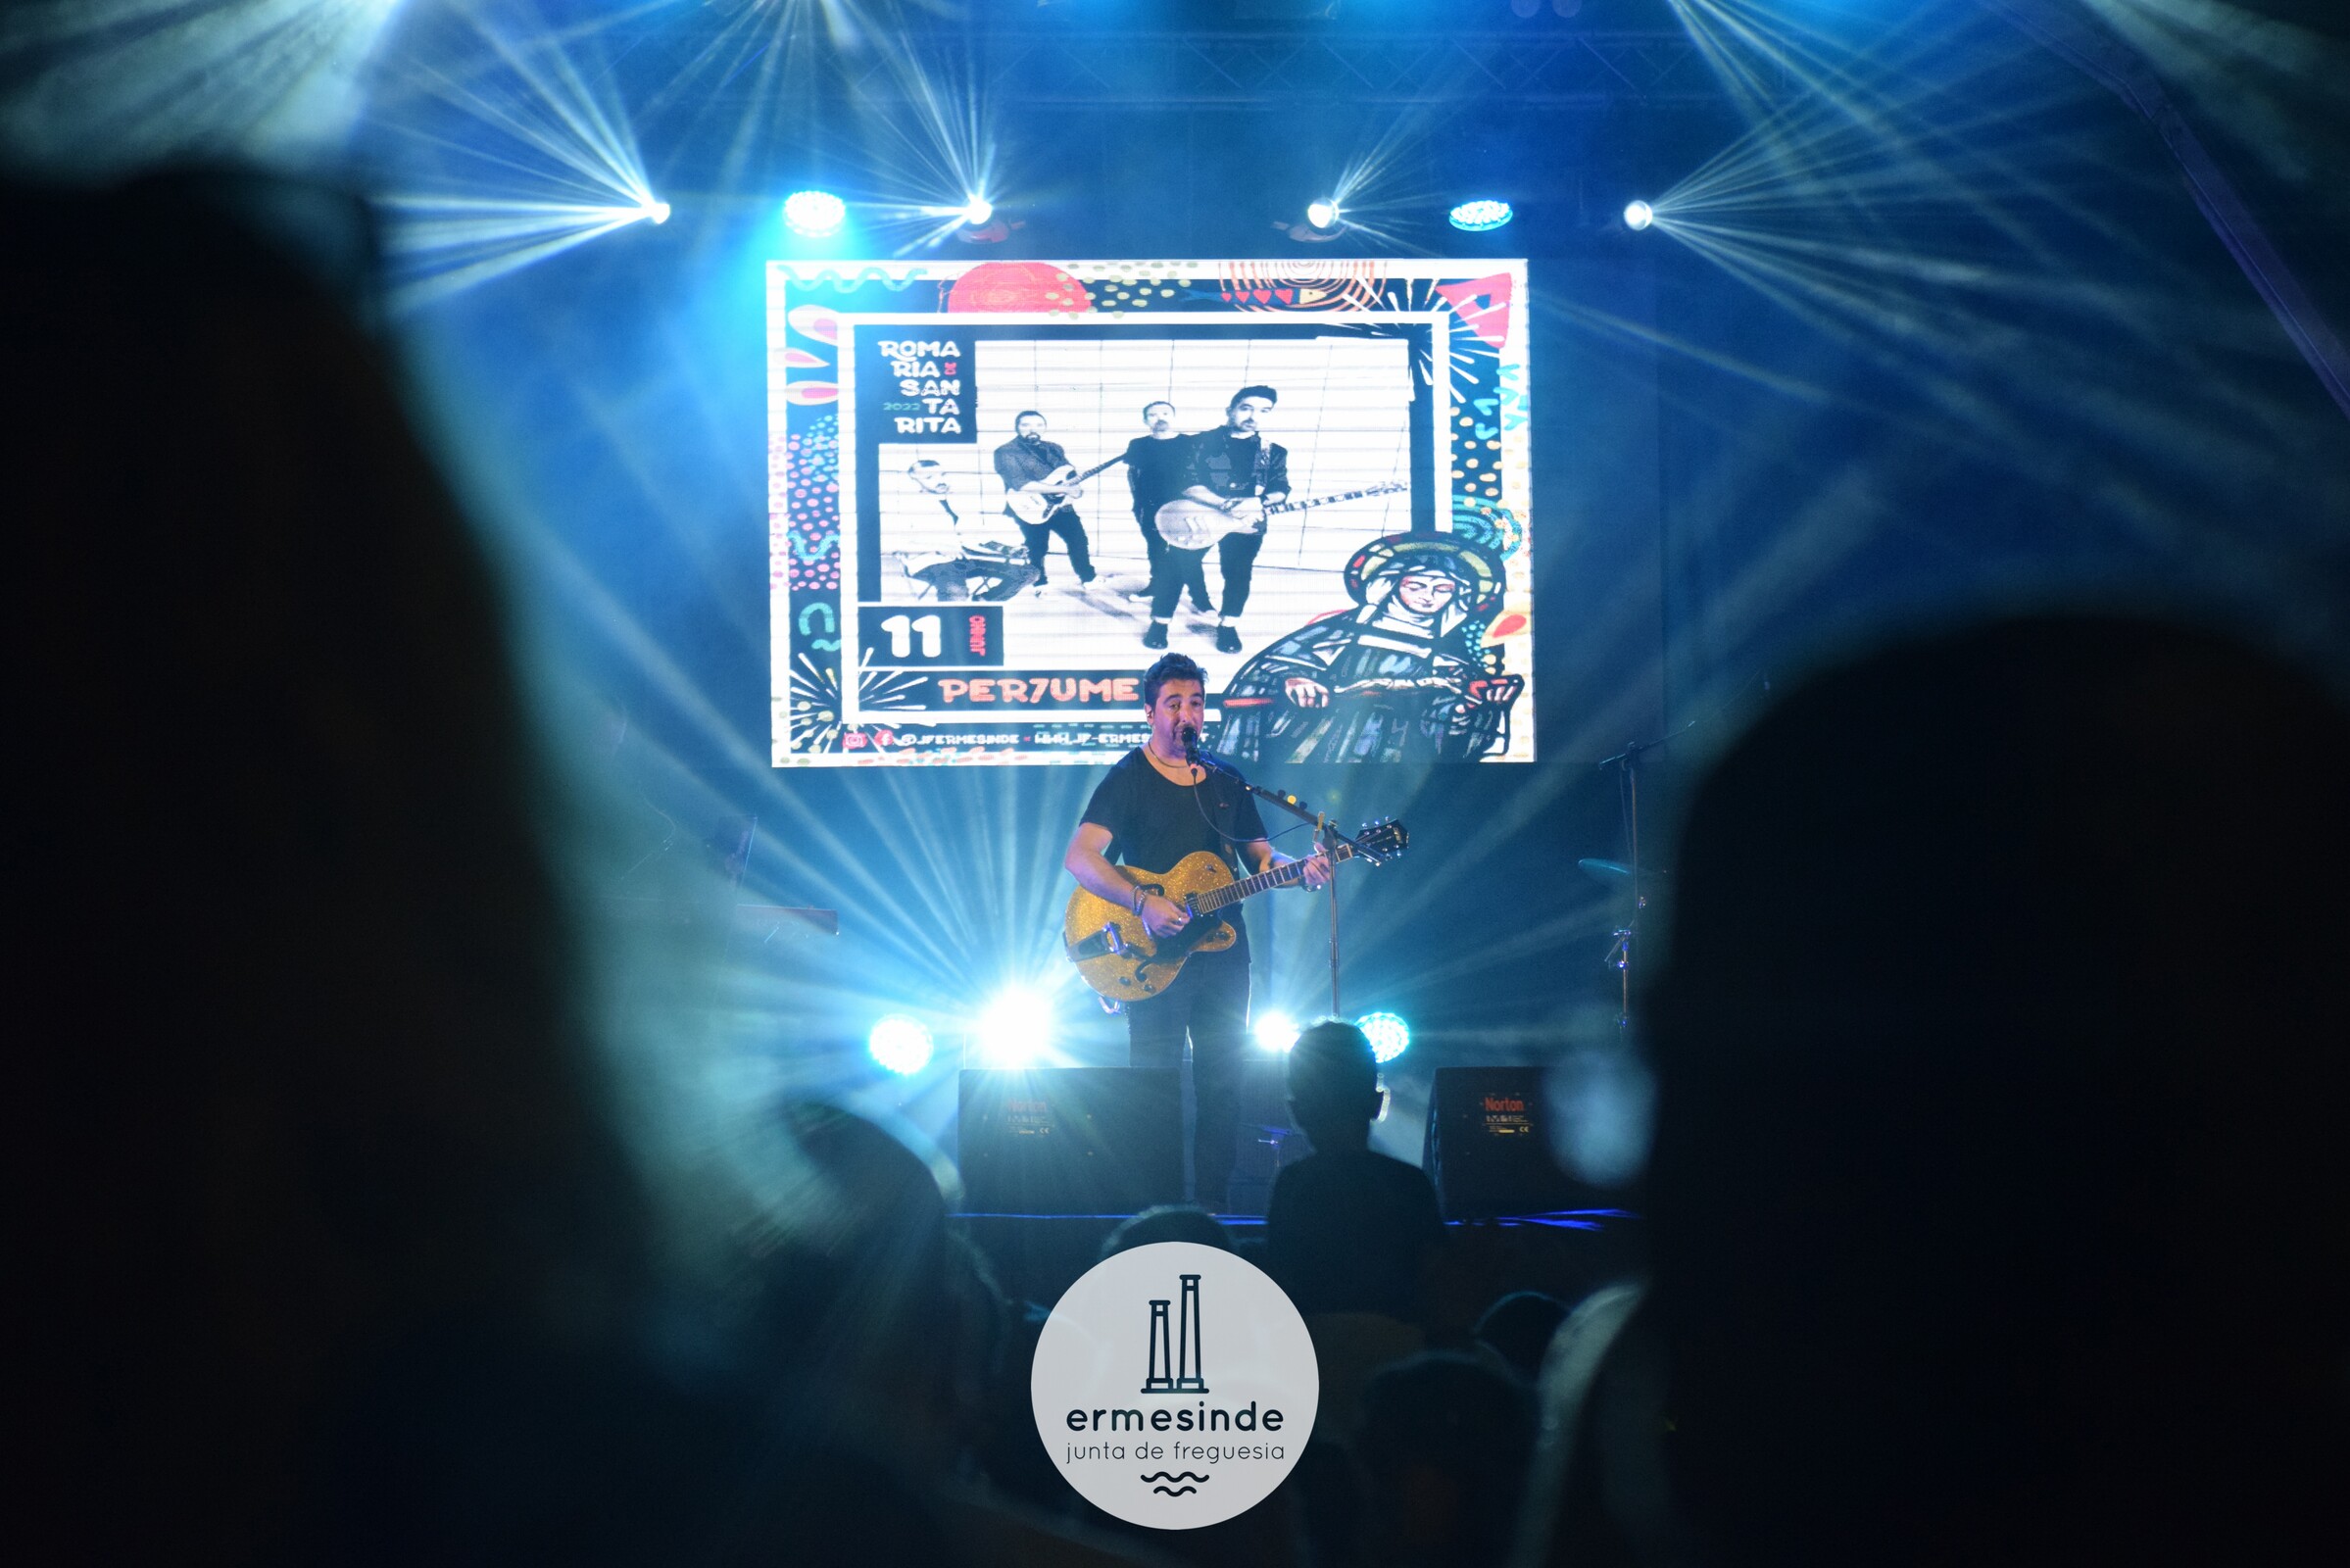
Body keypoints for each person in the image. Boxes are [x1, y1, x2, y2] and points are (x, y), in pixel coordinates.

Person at [1061, 653, 1329, 1208]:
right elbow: (1081, 857)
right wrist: (1142, 902)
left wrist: (1299, 871)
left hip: (1224, 951)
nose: (1188, 713)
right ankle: (1156, 1211)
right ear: (1150, 712)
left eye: (1197, 703)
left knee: (1224, 1086)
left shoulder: (1226, 778)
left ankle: (1212, 1209)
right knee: (1154, 1087)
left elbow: (1260, 858)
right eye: (1174, 703)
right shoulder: (1129, 777)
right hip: (1152, 954)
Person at [1218, 533, 1525, 763]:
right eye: (1416, 586)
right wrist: (1294, 679)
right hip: (1316, 750)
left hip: (1393, 762)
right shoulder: (1339, 631)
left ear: (1458, 595)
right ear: (1391, 584)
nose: (1428, 597)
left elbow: (1444, 732)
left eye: (1442, 589)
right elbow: (1271, 668)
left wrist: (1468, 708)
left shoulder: (1450, 659)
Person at [1263, 1020, 1445, 1321]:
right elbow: (1436, 1285)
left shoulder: (1292, 1184)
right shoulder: (1410, 1183)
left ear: (1296, 1111)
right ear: (1378, 1103)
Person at [1145, 385, 1289, 654]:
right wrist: (1224, 504)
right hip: (1196, 517)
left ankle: (1228, 625)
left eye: (1263, 411)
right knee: (1175, 568)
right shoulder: (1197, 442)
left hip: (1246, 522)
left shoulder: (1274, 451)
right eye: (1246, 408)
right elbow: (1185, 482)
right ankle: (1160, 623)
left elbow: (1280, 488)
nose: (1253, 416)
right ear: (1230, 410)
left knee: (1238, 574)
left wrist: (1260, 501)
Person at [899, 459, 1037, 601]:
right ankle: (957, 614)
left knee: (1028, 572)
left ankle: (984, 601)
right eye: (929, 477)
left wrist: (1005, 549)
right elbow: (897, 543)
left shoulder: (957, 502)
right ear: (915, 482)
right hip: (930, 563)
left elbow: (973, 537)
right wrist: (940, 547)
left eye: (943, 474)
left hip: (963, 560)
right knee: (956, 591)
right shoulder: (908, 506)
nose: (940, 480)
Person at [991, 410, 1095, 589]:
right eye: (1026, 425)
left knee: (1078, 540)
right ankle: (1038, 582)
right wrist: (1063, 489)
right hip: (1027, 506)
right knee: (1037, 547)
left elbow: (1069, 475)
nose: (1033, 429)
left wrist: (1075, 491)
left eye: (1039, 425)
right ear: (1017, 427)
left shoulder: (1054, 448)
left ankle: (1088, 578)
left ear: (1045, 427)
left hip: (1060, 506)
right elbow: (1021, 484)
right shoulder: (1005, 451)